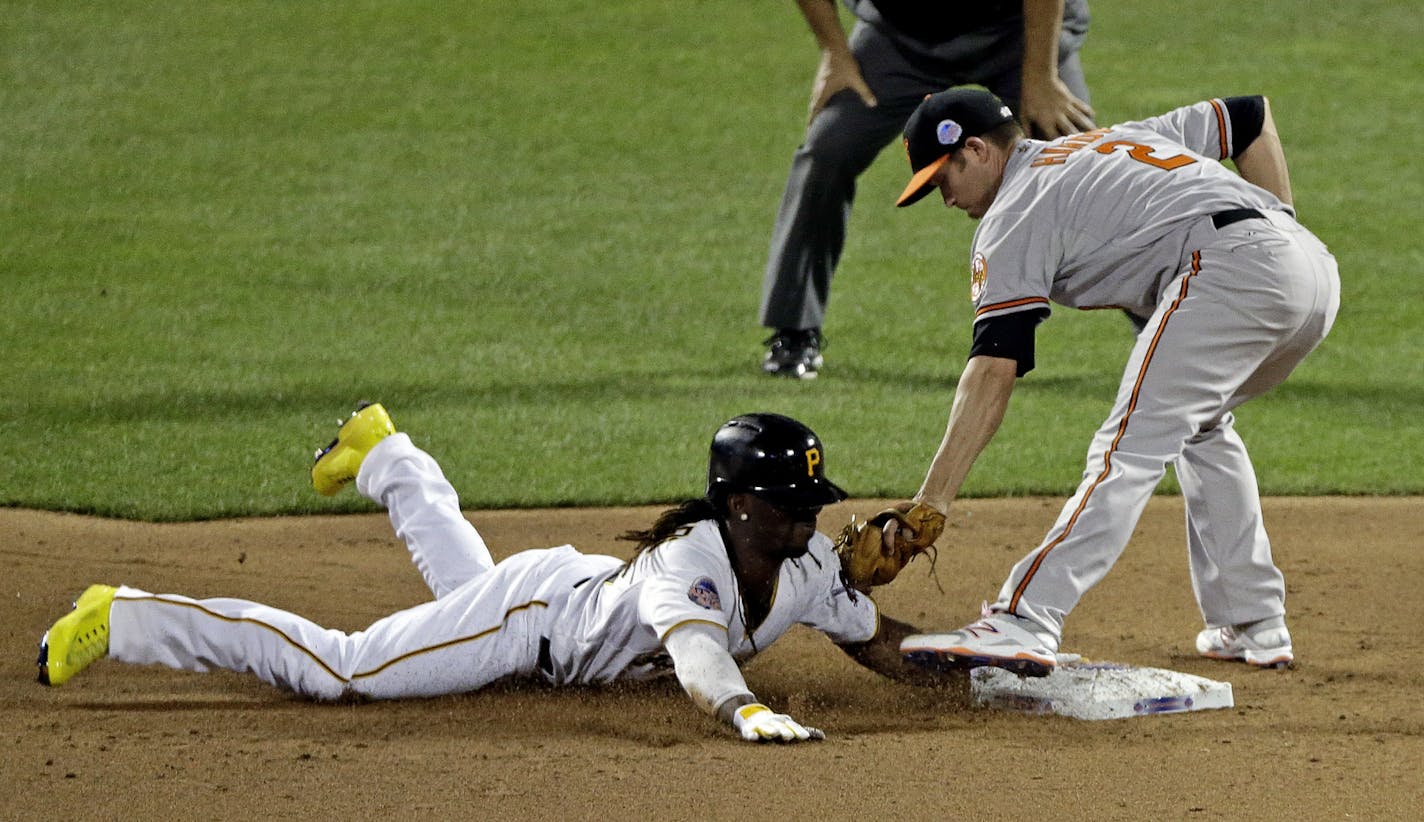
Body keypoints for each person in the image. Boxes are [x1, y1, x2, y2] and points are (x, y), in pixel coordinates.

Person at [36, 404, 953, 742]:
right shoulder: (691, 565)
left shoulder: (798, 565)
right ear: (740, 504)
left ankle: (385, 454)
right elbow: (700, 661)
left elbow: (880, 644)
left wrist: (975, 670)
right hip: (531, 618)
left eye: (815, 502)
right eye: (794, 504)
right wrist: (744, 709)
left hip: (564, 591)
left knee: (457, 590)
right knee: (343, 670)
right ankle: (127, 616)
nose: (813, 516)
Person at [889, 88, 1339, 677]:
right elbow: (1250, 116)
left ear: (975, 150)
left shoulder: (1015, 211)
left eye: (940, 179)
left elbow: (993, 370)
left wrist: (933, 499)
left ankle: (1027, 618)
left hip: (1229, 270)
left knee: (1129, 446)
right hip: (1311, 272)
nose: (943, 199)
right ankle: (1254, 618)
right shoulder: (1113, 140)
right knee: (1199, 426)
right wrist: (1279, 238)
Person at [760, 0, 1095, 379]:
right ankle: (794, 330)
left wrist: (1040, 76)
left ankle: (1156, 314)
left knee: (1079, 166)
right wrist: (834, 53)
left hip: (1016, 34)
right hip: (901, 40)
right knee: (828, 149)